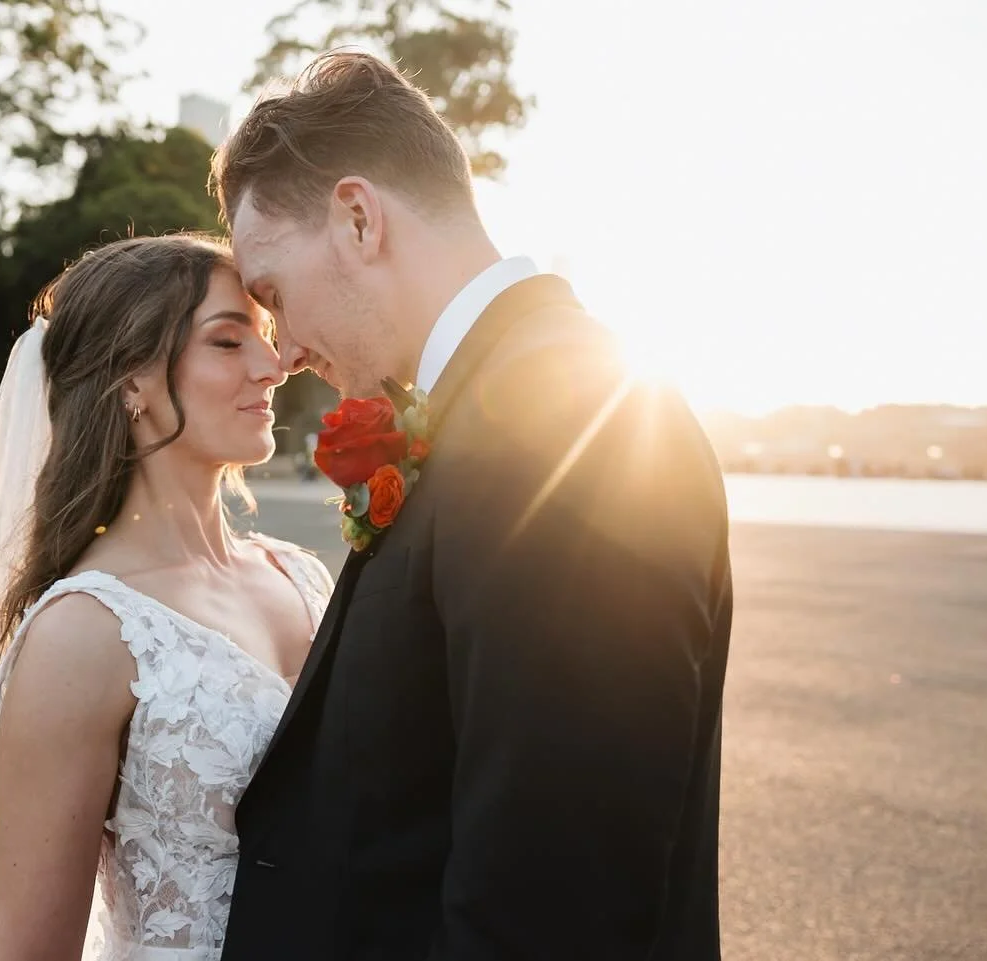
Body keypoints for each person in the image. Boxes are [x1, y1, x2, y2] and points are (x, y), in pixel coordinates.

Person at [212, 52, 734, 960]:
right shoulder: (502, 400)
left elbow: (555, 901)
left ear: (358, 218)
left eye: (273, 295)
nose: (283, 348)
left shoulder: (560, 419)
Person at [0, 234, 334, 961]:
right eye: (228, 341)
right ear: (131, 380)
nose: (273, 367)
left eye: (265, 337)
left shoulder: (301, 576)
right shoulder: (85, 634)